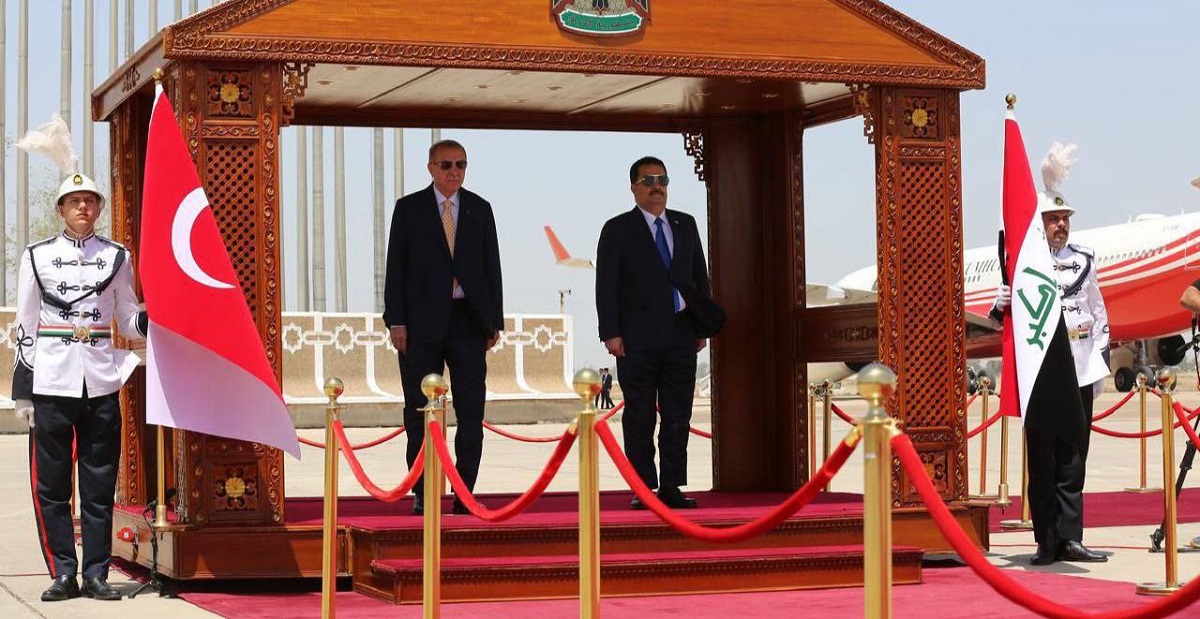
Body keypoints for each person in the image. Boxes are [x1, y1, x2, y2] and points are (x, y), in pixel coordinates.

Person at [13, 173, 147, 602]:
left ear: (99, 208)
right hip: (51, 380)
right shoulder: (37, 256)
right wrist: (23, 390)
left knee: (99, 485)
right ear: (61, 209)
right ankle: (62, 573)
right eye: (74, 201)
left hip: (100, 380)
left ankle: (96, 574)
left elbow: (127, 318)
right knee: (52, 487)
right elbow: (25, 324)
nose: (83, 207)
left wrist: (151, 319)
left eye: (90, 200)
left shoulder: (117, 256)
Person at [992, 151, 1109, 565]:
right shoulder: (1024, 265)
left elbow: (1098, 311)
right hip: (1041, 370)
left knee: (1074, 456)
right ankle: (1046, 539)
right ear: (1039, 224)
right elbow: (1004, 320)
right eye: (1053, 219)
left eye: (1064, 218)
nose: (1061, 225)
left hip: (1079, 366)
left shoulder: (1084, 259)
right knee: (1042, 458)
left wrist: (1099, 362)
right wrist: (1002, 302)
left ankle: (1071, 537)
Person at [383, 139, 503, 516]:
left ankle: (465, 491)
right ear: (431, 168)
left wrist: (493, 321)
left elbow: (492, 268)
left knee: (471, 411)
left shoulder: (480, 209)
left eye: (461, 165)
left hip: (469, 321)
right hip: (420, 325)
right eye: (447, 164)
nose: (454, 171)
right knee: (420, 411)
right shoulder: (409, 209)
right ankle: (423, 489)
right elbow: (395, 269)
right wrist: (396, 321)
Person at [596, 155, 720, 510]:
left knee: (678, 414)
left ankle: (670, 486)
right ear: (634, 187)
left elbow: (699, 278)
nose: (657, 187)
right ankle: (643, 487)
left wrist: (700, 326)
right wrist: (611, 333)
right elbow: (606, 285)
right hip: (636, 339)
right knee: (640, 414)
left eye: (662, 180)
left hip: (681, 334)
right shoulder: (617, 229)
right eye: (649, 180)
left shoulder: (685, 224)